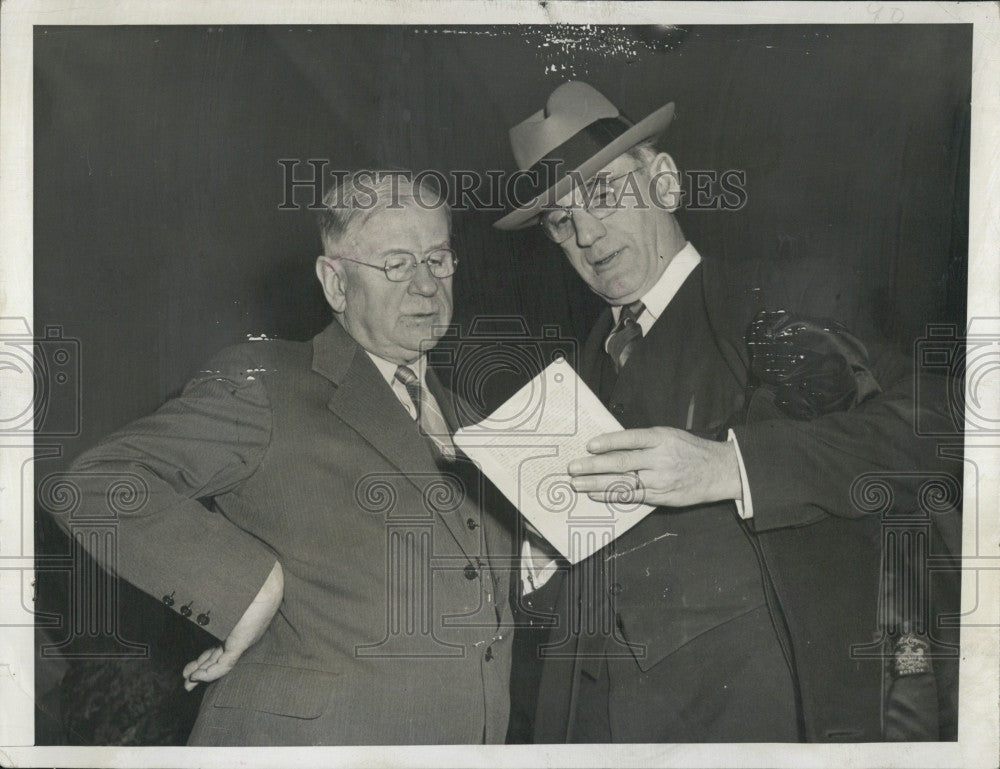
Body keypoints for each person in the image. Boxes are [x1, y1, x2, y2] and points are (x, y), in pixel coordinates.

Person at [495, 81, 961, 742]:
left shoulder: (780, 296)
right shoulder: (574, 373)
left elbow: (943, 425)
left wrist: (730, 466)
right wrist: (541, 561)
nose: (586, 233)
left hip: (761, 715)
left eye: (602, 193)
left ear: (663, 181)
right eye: (561, 220)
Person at [47, 173, 514, 745]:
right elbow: (97, 484)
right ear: (336, 283)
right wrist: (244, 590)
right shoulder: (265, 383)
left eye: (438, 260)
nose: (425, 286)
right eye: (396, 263)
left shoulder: (476, 422)